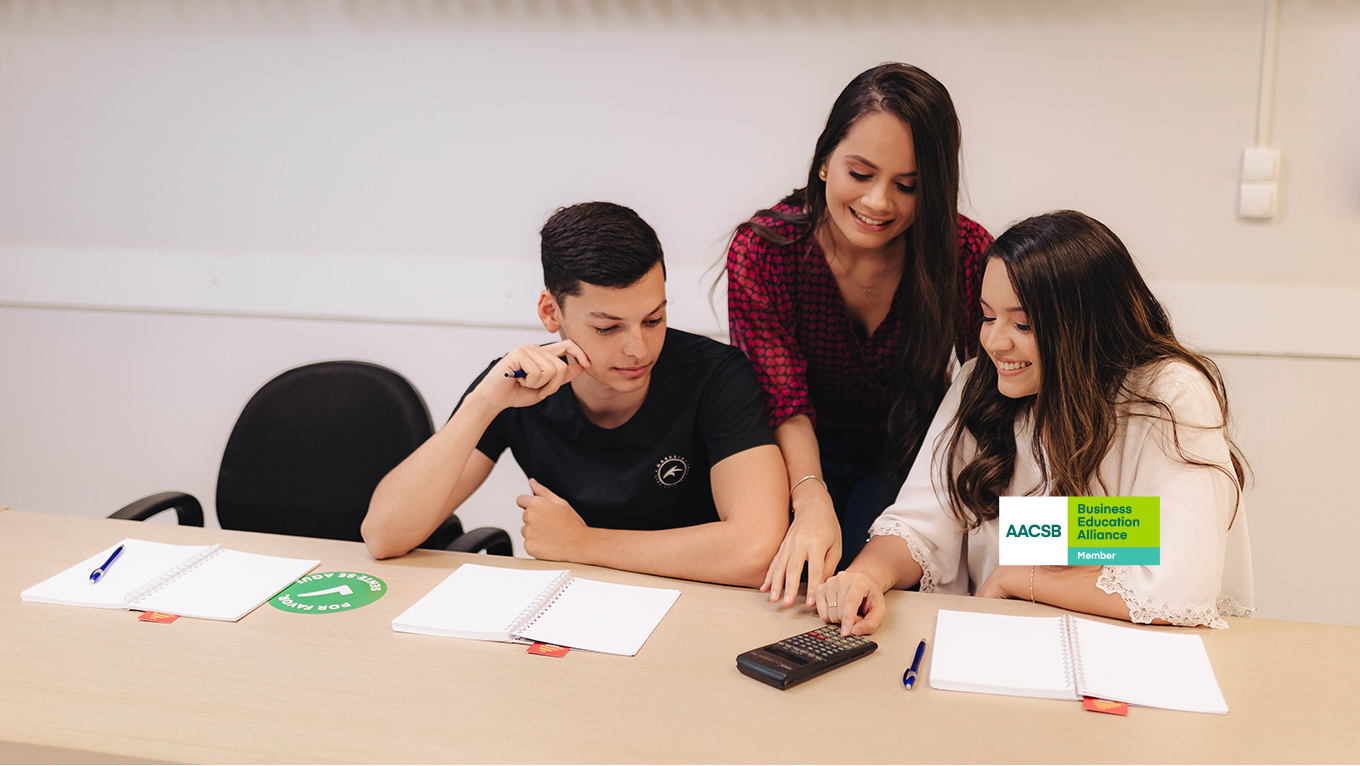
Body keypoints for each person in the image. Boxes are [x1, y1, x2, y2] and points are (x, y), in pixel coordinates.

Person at [815, 210, 1255, 633]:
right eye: (987, 316)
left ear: (1087, 325)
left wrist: (1021, 577)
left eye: (1023, 324)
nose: (993, 341)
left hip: (1128, 653)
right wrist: (868, 574)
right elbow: (923, 521)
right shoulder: (981, 383)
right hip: (1002, 641)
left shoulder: (1169, 394)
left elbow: (1175, 584)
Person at [362, 202, 788, 587]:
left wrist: (582, 543)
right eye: (607, 328)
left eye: (654, 319)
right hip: (570, 612)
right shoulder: (516, 384)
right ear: (551, 312)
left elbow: (755, 550)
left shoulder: (716, 376)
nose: (638, 349)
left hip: (694, 605)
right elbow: (384, 535)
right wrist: (482, 404)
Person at [725, 62, 993, 606]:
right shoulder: (766, 250)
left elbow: (984, 387)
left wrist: (1033, 547)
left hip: (909, 452)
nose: (878, 203)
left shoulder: (963, 251)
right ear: (825, 161)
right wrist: (810, 495)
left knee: (860, 583)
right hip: (790, 447)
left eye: (908, 186)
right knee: (786, 586)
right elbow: (783, 398)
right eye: (861, 173)